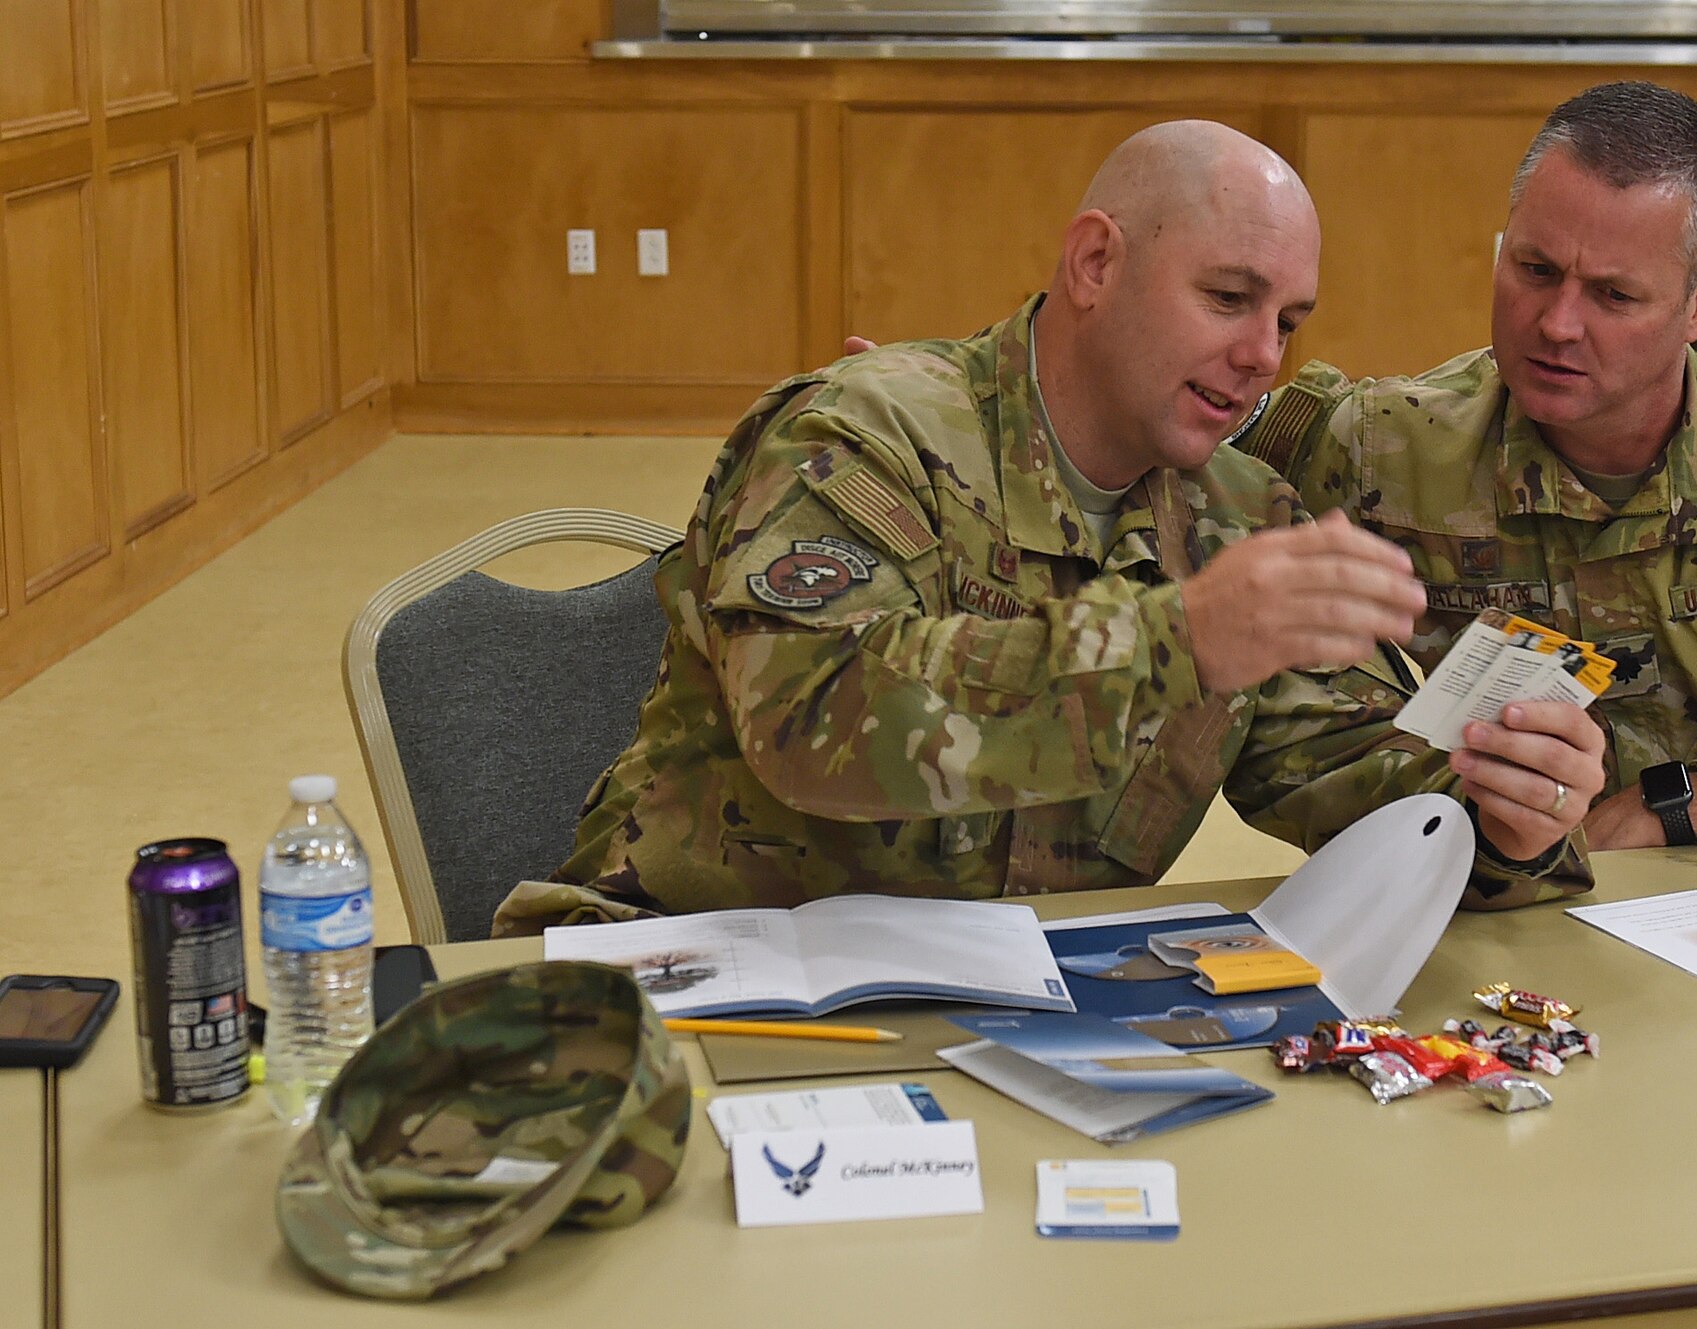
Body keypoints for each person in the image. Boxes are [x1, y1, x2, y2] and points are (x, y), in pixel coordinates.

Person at [493, 121, 1603, 936]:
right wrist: (1180, 642)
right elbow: (812, 719)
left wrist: (1497, 814)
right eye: (1227, 299)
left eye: (1287, 321)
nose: (1265, 355)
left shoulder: (1232, 517)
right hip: (707, 975)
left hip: (1008, 1023)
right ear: (1093, 262)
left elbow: (1345, 774)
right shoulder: (865, 436)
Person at [1236, 81, 1697, 905]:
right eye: (1534, 269)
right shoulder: (1378, 455)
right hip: (1486, 918)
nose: (1558, 324)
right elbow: (1287, 742)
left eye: (1613, 295)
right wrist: (1496, 826)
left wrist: (1696, 801)